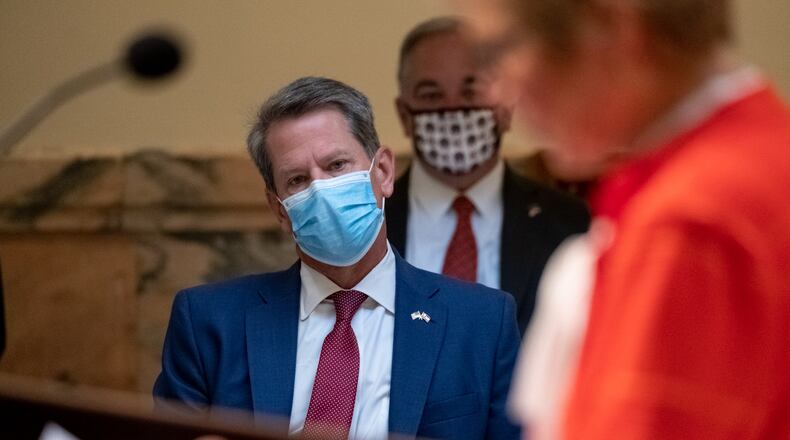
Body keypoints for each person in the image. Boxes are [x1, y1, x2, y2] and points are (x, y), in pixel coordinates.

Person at [455, 0, 790, 438]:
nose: (495, 92)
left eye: (502, 49)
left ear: (612, 24)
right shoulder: (764, 158)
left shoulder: (689, 221)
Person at [153, 77, 521, 440]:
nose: (321, 189)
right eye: (297, 180)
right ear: (279, 209)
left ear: (383, 172)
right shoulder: (208, 323)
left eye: (336, 166)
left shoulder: (481, 323)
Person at [386, 17, 590, 334]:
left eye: (471, 92)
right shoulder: (369, 226)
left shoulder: (571, 223)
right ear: (404, 115)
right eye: (431, 95)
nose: (452, 109)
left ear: (506, 107)